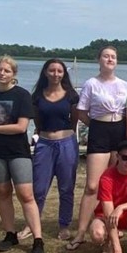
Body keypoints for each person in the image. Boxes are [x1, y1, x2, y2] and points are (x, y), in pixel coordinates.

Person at [0, 56, 45, 253]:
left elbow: (21, 127)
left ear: (13, 74)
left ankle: (38, 239)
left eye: (7, 71)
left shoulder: (22, 96)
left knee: (26, 195)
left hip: (18, 151)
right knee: (3, 192)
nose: (2, 73)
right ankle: (9, 234)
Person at [67, 46, 127, 250]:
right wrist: (95, 125)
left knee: (114, 183)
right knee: (93, 186)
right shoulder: (91, 84)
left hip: (119, 130)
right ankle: (80, 232)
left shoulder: (125, 85)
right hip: (100, 131)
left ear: (116, 61)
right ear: (99, 60)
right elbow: (81, 111)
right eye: (106, 56)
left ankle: (111, 224)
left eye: (113, 56)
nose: (110, 59)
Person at [17, 58, 80, 242]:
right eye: (52, 70)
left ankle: (64, 225)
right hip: (44, 144)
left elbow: (74, 120)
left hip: (67, 143)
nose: (55, 74)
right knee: (38, 187)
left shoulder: (71, 95)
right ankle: (31, 224)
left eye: (59, 71)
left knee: (66, 187)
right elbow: (37, 121)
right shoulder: (37, 96)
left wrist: (67, 136)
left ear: (64, 73)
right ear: (45, 72)